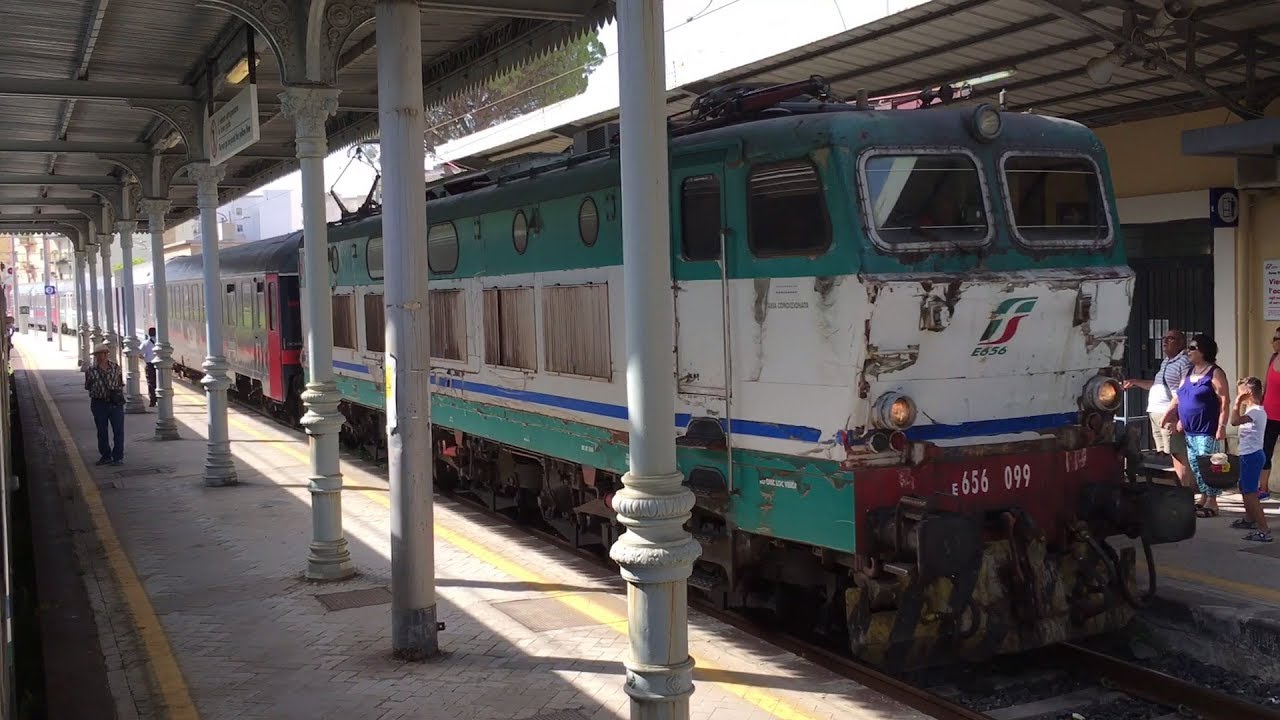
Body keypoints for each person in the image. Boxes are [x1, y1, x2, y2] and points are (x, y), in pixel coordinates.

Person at [1162, 334, 1230, 517]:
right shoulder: (1189, 372)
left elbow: (1224, 401)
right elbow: (1179, 397)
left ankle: (1213, 502)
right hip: (1190, 429)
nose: (1187, 351)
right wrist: (1170, 415)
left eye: (1192, 348)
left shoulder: (1214, 373)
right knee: (1195, 464)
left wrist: (1222, 426)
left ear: (1203, 351)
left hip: (1207, 429)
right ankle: (1204, 497)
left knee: (1209, 464)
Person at [1123, 329, 1191, 486]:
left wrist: (1171, 413)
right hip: (1156, 412)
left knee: (1176, 453)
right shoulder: (1166, 361)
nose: (1165, 341)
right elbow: (1158, 385)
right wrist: (1135, 382)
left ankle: (1185, 488)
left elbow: (1183, 390)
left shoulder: (1184, 362)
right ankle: (1174, 487)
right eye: (1164, 338)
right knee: (1164, 453)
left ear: (1181, 343)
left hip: (1169, 412)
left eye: (1171, 338)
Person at [1229, 377, 1272, 542]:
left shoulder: (1256, 412)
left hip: (1252, 456)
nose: (1238, 396)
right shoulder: (1252, 411)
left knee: (1250, 494)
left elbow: (1233, 421)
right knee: (1245, 489)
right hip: (1248, 455)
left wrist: (1237, 402)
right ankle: (1249, 519)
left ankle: (1264, 529)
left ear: (1249, 393)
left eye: (1240, 393)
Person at [84, 342, 125, 466]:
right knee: (102, 431)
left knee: (118, 430)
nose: (100, 356)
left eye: (101, 353)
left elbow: (120, 383)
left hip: (115, 404)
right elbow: (88, 386)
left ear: (106, 354)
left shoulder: (116, 368)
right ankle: (105, 455)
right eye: (97, 354)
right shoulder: (90, 370)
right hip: (99, 404)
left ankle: (117, 456)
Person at [1256, 326, 1280, 500]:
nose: (1273, 342)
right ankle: (1263, 488)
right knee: (1265, 452)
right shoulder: (1273, 358)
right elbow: (1266, 386)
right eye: (1274, 338)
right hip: (1269, 415)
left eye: (1277, 339)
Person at [141, 326, 157, 407]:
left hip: (149, 365)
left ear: (149, 334)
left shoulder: (145, 343)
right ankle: (159, 399)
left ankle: (152, 401)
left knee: (150, 383)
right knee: (158, 382)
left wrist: (144, 358)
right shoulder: (159, 342)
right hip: (159, 365)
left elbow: (140, 353)